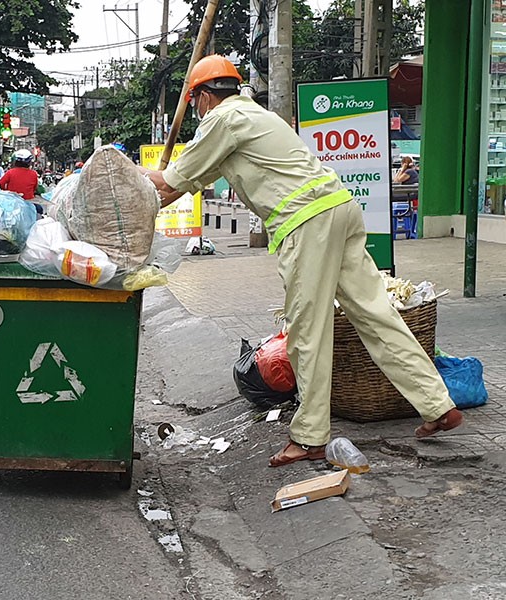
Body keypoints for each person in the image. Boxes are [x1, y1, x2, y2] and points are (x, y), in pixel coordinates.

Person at [141, 54, 462, 467]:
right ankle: (438, 404)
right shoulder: (256, 117)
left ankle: (310, 436)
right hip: (338, 207)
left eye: (197, 102)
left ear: (202, 97)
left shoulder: (221, 121)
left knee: (307, 331)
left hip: (306, 221)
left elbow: (167, 182)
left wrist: (116, 180)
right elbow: (178, 188)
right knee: (377, 314)